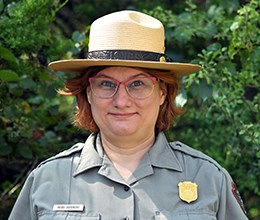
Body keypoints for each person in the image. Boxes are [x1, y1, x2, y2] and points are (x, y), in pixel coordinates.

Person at [9, 10, 248, 220]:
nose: (121, 101)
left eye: (138, 84)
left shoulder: (208, 178)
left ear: (163, 93)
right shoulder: (47, 180)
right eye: (105, 84)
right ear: (88, 93)